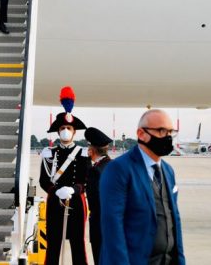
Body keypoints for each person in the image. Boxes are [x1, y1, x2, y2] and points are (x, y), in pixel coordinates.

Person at [99, 109, 185, 265]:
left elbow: (175, 221)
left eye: (171, 132)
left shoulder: (168, 171)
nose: (167, 137)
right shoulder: (118, 169)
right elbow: (112, 227)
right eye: (161, 131)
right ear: (141, 134)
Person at [39, 86, 89, 265]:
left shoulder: (83, 153)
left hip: (76, 201)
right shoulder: (48, 153)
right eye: (62, 128)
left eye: (69, 127)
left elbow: (86, 180)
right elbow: (43, 180)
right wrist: (56, 190)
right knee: (53, 243)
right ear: (58, 131)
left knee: (78, 244)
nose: (66, 130)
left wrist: (74, 190)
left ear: (74, 131)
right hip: (55, 200)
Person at [84, 127, 113, 265]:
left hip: (100, 226)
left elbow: (93, 202)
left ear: (92, 150)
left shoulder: (95, 171)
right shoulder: (114, 166)